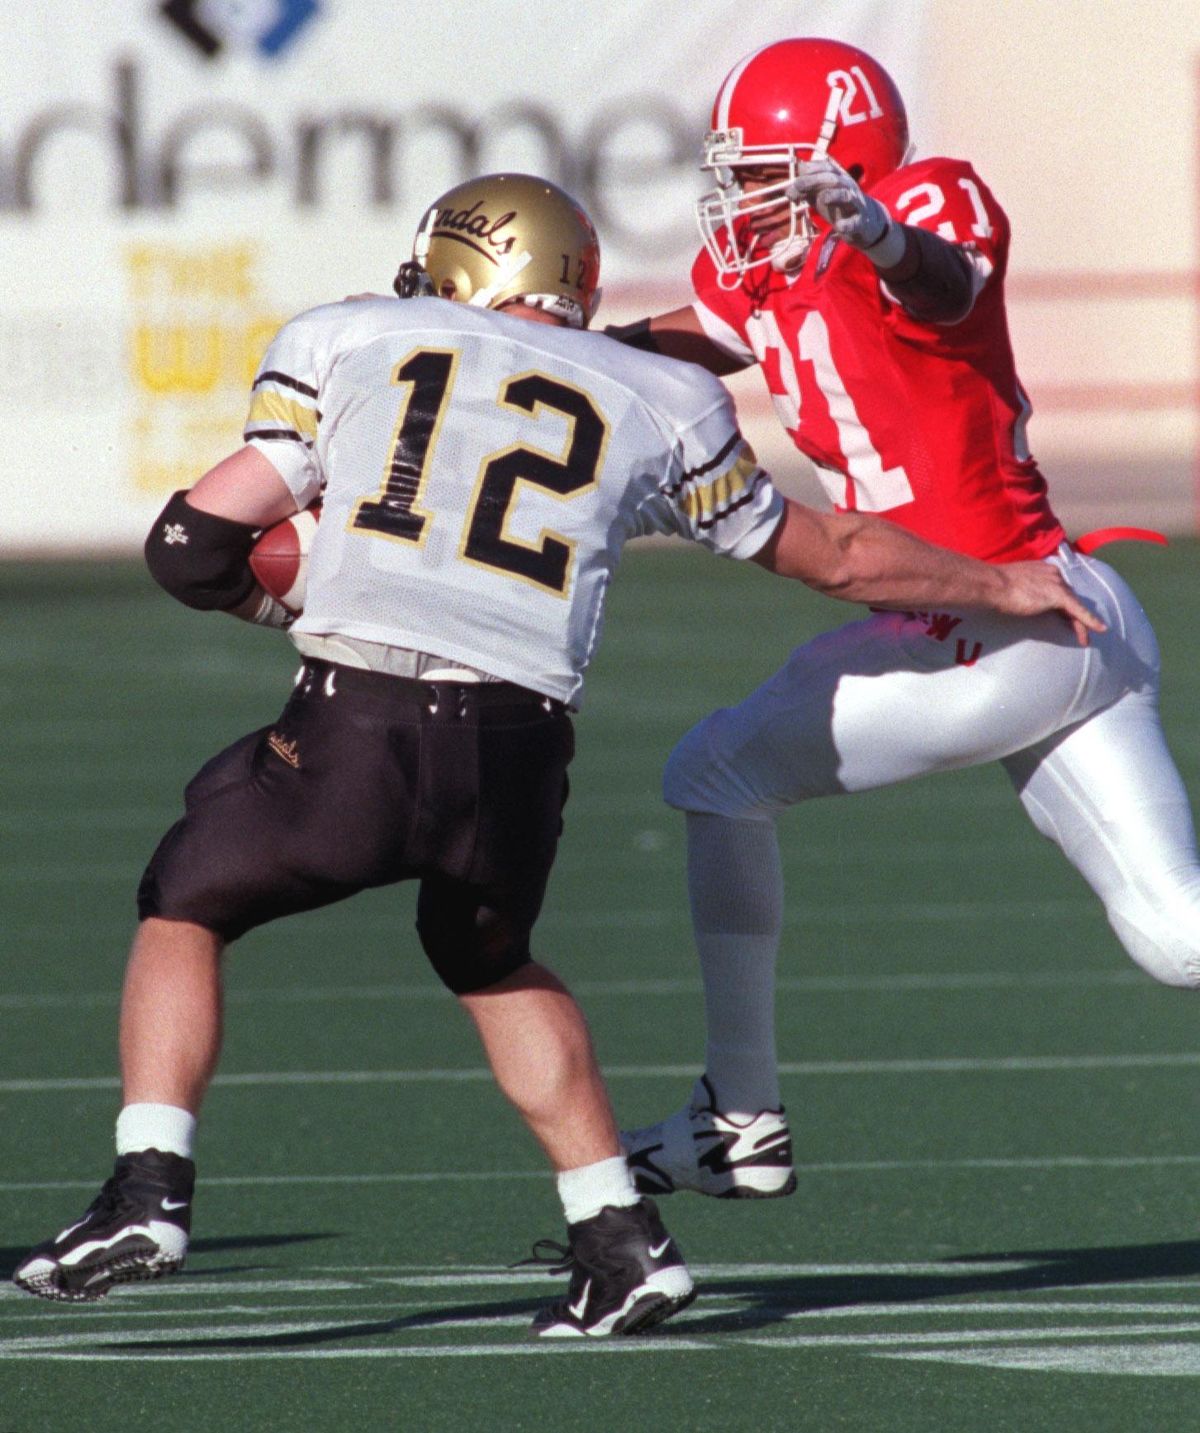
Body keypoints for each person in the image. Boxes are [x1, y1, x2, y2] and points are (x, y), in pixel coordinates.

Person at [12, 171, 1095, 1337]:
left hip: (361, 715)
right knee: (487, 954)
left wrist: (297, 600)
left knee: (187, 893)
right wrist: (1001, 582)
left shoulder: (351, 335)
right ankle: (620, 1239)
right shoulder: (664, 395)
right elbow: (830, 552)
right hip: (519, 744)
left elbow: (192, 545)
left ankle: (148, 1188)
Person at [613, 36, 1200, 1201]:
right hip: (1072, 616)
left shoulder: (925, 203)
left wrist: (873, 230)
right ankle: (736, 1116)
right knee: (1177, 935)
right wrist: (538, 351)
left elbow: (942, 282)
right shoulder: (767, 268)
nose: (739, 196)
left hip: (986, 621)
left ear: (840, 163)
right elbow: (675, 343)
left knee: (714, 772)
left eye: (766, 171)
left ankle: (740, 1112)